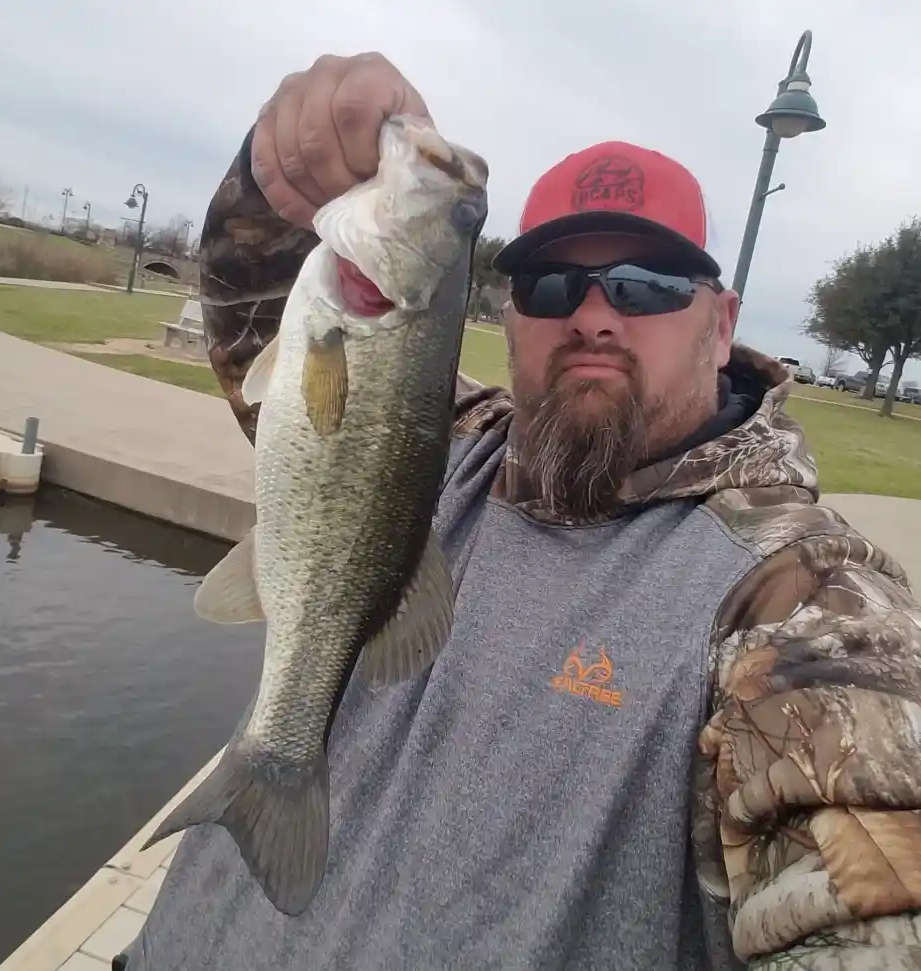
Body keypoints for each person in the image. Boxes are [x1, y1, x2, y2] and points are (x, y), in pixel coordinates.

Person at [117, 53, 921, 971]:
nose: (592, 316)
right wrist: (274, 177)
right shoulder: (441, 445)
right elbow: (257, 321)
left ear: (721, 319)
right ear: (508, 311)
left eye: (646, 284)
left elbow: (869, 883)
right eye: (550, 285)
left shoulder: (801, 597)